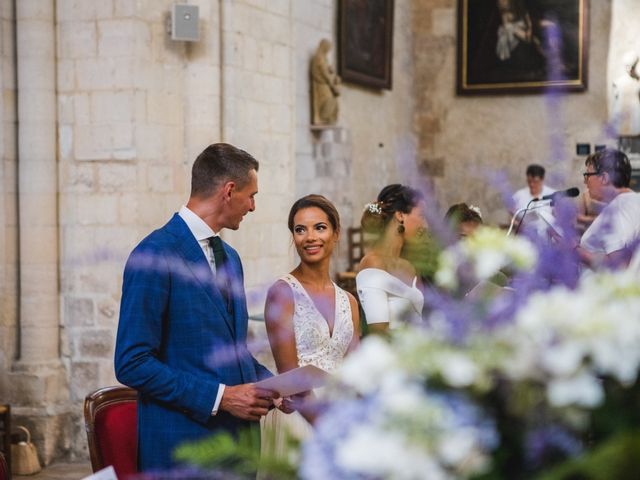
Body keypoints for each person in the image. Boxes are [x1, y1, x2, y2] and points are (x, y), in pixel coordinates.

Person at [114, 143, 277, 471]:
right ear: (229, 191)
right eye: (252, 195)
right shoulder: (154, 255)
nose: (254, 206)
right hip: (183, 450)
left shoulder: (231, 258)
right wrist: (222, 398)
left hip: (238, 449)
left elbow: (233, 349)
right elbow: (132, 363)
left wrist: (271, 385)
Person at [262, 195, 360, 457]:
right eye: (300, 229)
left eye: (320, 227)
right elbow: (291, 376)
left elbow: (357, 371)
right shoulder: (283, 293)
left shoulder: (348, 301)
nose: (310, 237)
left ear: (336, 233)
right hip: (300, 419)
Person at [356, 184, 426, 333]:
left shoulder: (410, 267)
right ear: (400, 215)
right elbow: (378, 332)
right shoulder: (373, 263)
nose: (424, 225)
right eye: (421, 216)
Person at [577, 148, 640, 270]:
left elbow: (619, 265)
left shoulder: (618, 208)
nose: (585, 182)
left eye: (587, 175)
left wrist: (576, 250)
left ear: (604, 178)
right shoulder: (634, 199)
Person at [510, 163, 555, 235]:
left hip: (545, 237)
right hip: (524, 236)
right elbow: (512, 215)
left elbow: (557, 218)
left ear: (542, 180)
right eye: (529, 181)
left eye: (535, 182)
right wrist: (516, 224)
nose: (532, 184)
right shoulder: (519, 195)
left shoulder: (551, 194)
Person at [609, 51, 640, 136]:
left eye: (632, 67)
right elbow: (615, 103)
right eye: (627, 66)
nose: (630, 69)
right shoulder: (618, 82)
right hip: (621, 115)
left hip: (635, 115)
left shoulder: (638, 81)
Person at [310, 39, 340, 125]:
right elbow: (324, 73)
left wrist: (331, 70)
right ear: (324, 47)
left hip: (325, 84)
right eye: (327, 48)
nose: (328, 51)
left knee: (331, 100)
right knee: (328, 100)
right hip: (321, 85)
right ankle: (323, 117)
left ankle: (327, 118)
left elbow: (326, 69)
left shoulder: (324, 57)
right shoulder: (319, 57)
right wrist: (333, 86)